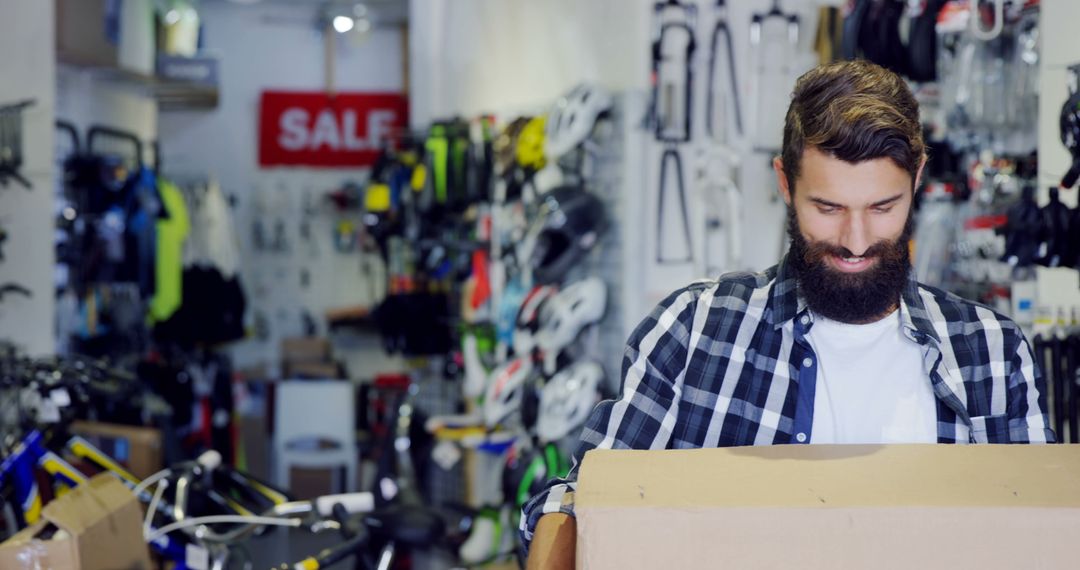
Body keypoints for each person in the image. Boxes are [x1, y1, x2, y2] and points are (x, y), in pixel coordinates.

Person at [520, 60, 1054, 569]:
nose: (856, 240)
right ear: (784, 182)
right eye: (828, 208)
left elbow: (1041, 529)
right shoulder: (696, 331)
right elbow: (582, 499)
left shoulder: (989, 349)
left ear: (917, 178)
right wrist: (564, 525)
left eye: (882, 207)